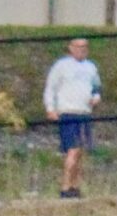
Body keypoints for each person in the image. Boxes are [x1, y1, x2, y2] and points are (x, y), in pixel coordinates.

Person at [43, 38, 101, 201]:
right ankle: (65, 186)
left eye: (84, 47)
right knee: (72, 150)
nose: (82, 49)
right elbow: (50, 88)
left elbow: (96, 87)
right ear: (71, 48)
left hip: (84, 112)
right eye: (78, 47)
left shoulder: (91, 67)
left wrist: (96, 97)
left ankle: (75, 186)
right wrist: (50, 108)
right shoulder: (61, 66)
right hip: (67, 112)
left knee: (80, 151)